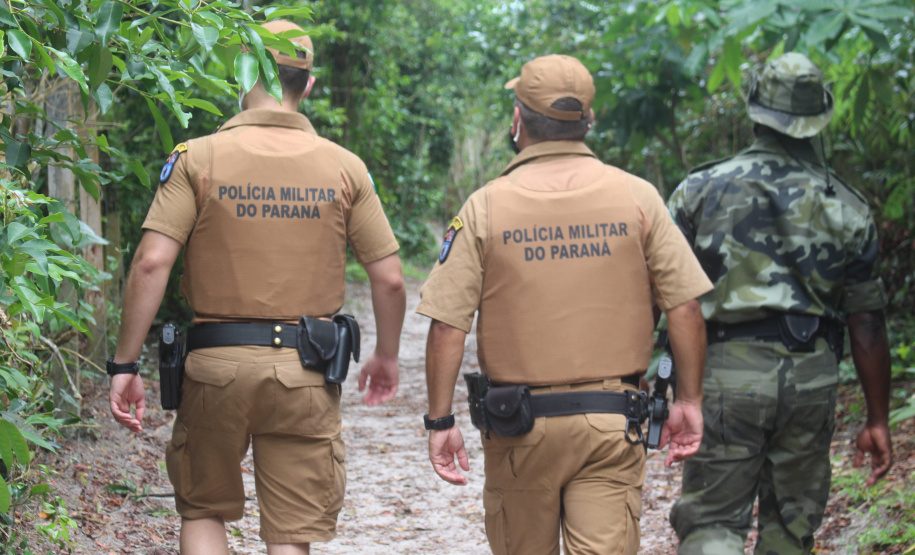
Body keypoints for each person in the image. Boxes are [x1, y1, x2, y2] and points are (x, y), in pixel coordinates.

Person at [107, 20, 406, 555]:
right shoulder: (345, 167)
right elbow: (389, 277)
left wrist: (125, 365)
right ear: (307, 85)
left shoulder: (198, 157)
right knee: (291, 531)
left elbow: (152, 262)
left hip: (214, 370)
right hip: (306, 373)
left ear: (244, 71)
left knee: (203, 507)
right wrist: (385, 354)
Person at [416, 54, 714, 555]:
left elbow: (448, 325)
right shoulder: (638, 198)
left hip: (519, 430)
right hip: (612, 424)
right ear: (588, 121)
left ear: (518, 120)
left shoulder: (486, 205)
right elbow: (684, 306)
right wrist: (689, 400)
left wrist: (440, 422)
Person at [667, 52, 893, 554]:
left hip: (722, 373)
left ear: (754, 109)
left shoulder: (698, 190)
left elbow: (662, 291)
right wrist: (877, 419)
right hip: (811, 378)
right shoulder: (849, 207)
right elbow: (867, 323)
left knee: (712, 526)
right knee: (791, 531)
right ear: (819, 117)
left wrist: (649, 369)